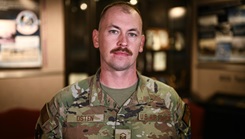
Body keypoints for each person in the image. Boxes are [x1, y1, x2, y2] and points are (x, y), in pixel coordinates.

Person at [35, 1, 191, 139]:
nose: (123, 42)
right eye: (114, 31)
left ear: (141, 43)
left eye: (132, 34)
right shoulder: (63, 104)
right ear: (96, 38)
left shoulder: (170, 102)